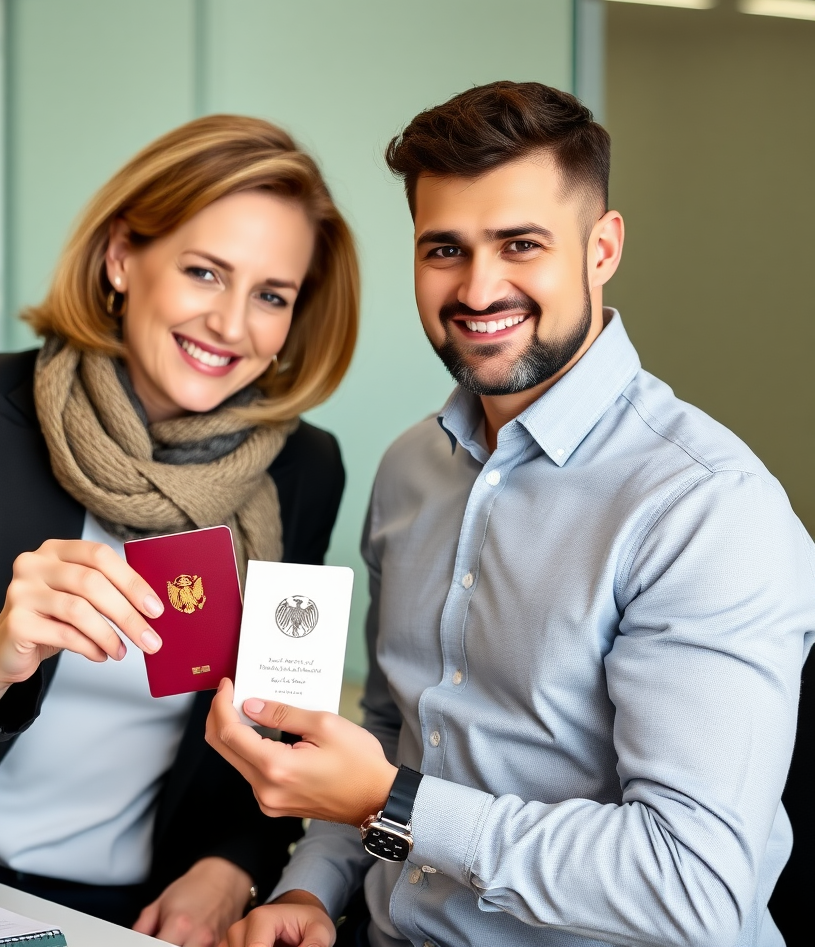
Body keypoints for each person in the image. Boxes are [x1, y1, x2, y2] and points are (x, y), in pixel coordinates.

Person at [206, 82, 815, 947]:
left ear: (602, 249)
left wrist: (394, 803)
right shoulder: (410, 468)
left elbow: (692, 886)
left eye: (520, 244)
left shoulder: (706, 507)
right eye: (444, 249)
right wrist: (309, 889)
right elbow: (392, 730)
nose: (478, 286)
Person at [0, 115, 360, 942]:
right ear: (122, 258)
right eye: (205, 272)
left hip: (122, 913)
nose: (233, 326)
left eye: (271, 296)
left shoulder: (301, 472)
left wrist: (233, 864)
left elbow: (282, 728)